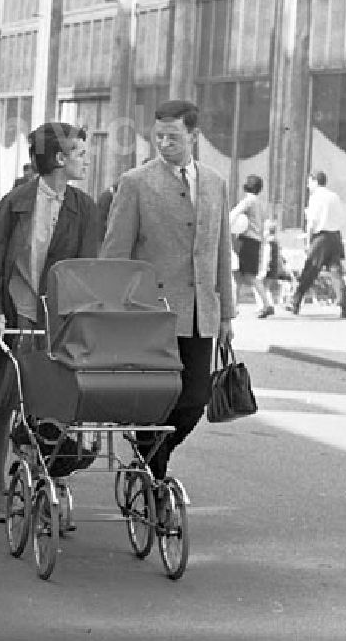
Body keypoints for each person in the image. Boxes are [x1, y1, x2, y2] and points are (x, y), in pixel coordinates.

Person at [0, 121, 102, 522]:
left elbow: (86, 270)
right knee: (3, 404)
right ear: (59, 159)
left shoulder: (83, 208)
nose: (87, 159)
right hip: (13, 317)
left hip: (55, 321)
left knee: (53, 408)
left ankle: (51, 483)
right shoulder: (14, 203)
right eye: (80, 153)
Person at [100, 99, 235, 515]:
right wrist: (110, 309)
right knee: (154, 400)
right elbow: (115, 251)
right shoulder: (136, 182)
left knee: (194, 398)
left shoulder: (214, 182)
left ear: (194, 136)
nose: (164, 143)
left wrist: (227, 313)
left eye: (173, 136)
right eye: (159, 135)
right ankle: (154, 479)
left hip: (201, 314)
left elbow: (221, 250)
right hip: (150, 315)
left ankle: (151, 461)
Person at [293, 170, 346, 319]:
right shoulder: (334, 196)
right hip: (335, 236)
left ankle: (295, 302)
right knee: (336, 272)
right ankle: (345, 306)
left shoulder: (316, 197)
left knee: (310, 271)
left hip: (321, 237)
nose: (307, 185)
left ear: (314, 181)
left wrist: (308, 241)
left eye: (309, 182)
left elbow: (312, 222)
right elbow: (341, 217)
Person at [230, 175, 275, 319]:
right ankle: (234, 307)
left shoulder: (248, 201)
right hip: (256, 241)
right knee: (239, 275)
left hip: (246, 241)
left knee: (247, 275)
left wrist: (226, 228)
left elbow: (233, 215)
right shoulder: (261, 204)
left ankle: (267, 304)